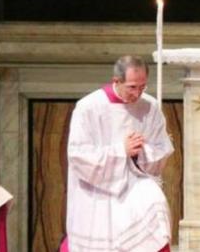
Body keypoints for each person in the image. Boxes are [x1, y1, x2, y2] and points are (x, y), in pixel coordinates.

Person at [63, 55, 174, 252]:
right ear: (116, 81)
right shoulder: (89, 107)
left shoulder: (150, 106)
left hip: (136, 182)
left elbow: (162, 149)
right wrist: (121, 151)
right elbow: (78, 155)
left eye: (142, 87)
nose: (137, 93)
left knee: (156, 208)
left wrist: (140, 152)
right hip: (97, 189)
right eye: (132, 87)